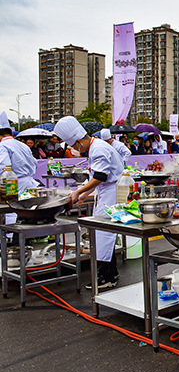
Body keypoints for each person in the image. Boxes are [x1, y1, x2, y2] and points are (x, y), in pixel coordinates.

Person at [54, 116, 124, 289]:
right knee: (102, 235)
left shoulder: (98, 149)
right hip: (106, 192)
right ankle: (110, 272)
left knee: (104, 235)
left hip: (111, 195)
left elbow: (100, 176)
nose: (75, 149)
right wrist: (87, 193)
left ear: (79, 141)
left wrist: (79, 191)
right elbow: (98, 177)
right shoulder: (96, 147)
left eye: (73, 146)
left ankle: (107, 276)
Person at [0, 112, 39, 232]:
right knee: (27, 215)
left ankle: (12, 242)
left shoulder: (3, 146)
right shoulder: (23, 145)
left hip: (14, 185)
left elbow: (4, 167)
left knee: (12, 214)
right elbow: (35, 163)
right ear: (11, 133)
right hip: (30, 183)